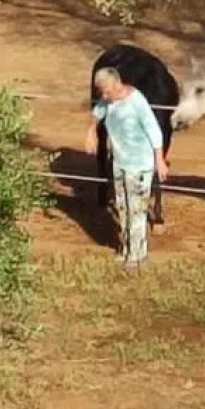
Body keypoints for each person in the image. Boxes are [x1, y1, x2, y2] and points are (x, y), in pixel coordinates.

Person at [85, 66, 169, 271]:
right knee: (123, 208)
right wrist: (91, 132)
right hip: (120, 162)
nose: (104, 96)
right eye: (101, 92)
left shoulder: (137, 101)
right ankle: (126, 248)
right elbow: (97, 113)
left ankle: (138, 255)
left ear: (117, 83)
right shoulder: (108, 100)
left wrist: (159, 160)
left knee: (137, 210)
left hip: (139, 164)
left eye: (106, 90)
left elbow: (153, 129)